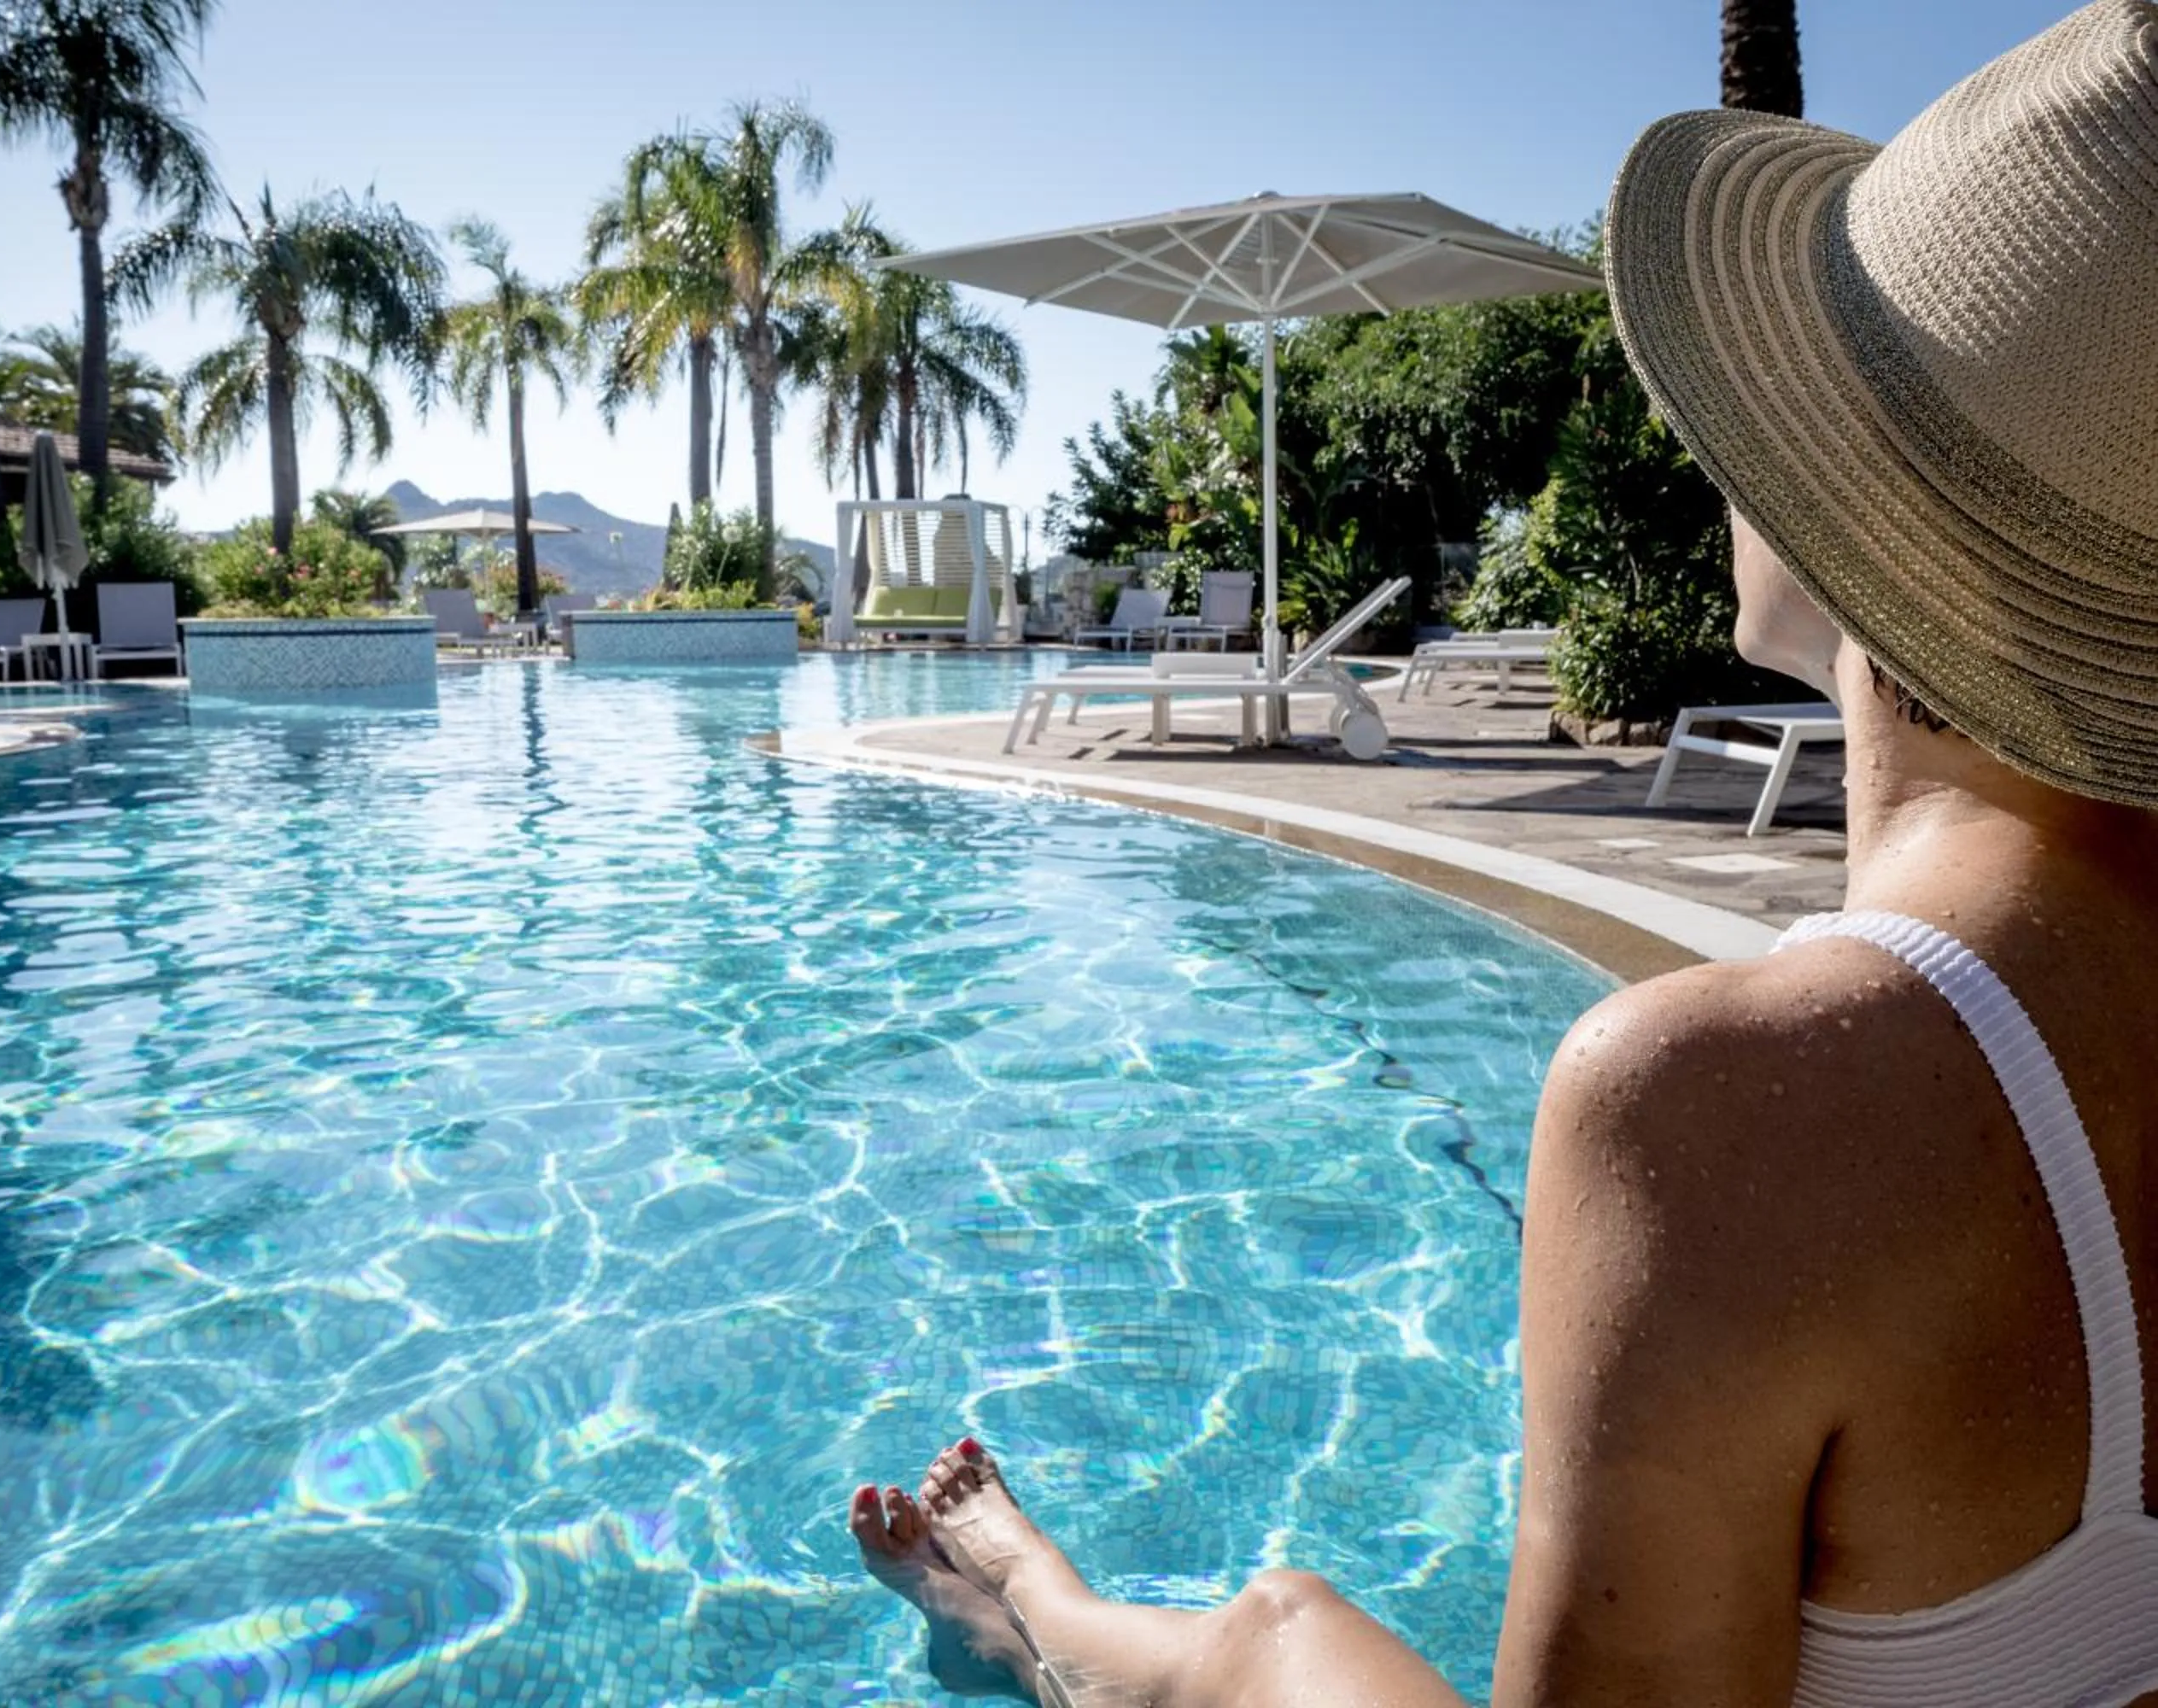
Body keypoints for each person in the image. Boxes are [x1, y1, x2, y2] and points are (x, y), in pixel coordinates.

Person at [847, 3, 2158, 1702]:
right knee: (1290, 1627)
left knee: (1276, 1640)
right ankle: (1059, 1620)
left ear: (1875, 525)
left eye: (1798, 395)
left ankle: (1036, 1631)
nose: (1720, 441)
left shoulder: (1727, 1102)